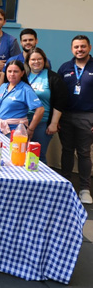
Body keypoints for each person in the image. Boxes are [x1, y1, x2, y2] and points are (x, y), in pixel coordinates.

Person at [58, 35, 93, 204]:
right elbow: (57, 94)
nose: (80, 49)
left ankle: (85, 188)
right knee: (66, 150)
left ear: (89, 48)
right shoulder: (65, 68)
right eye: (76, 47)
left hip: (88, 116)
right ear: (72, 49)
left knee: (84, 153)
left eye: (83, 46)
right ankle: (66, 184)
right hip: (65, 116)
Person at [25, 48, 67, 165]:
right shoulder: (24, 76)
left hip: (42, 124)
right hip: (22, 122)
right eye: (33, 59)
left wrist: (54, 123)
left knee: (37, 156)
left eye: (39, 59)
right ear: (28, 61)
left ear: (44, 60)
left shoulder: (53, 77)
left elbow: (60, 101)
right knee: (20, 154)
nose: (36, 62)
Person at [0, 60, 44, 135]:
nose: (12, 74)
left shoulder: (26, 89)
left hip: (15, 131)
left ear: (22, 73)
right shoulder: (3, 86)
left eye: (15, 71)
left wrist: (31, 129)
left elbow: (40, 110)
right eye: (9, 71)